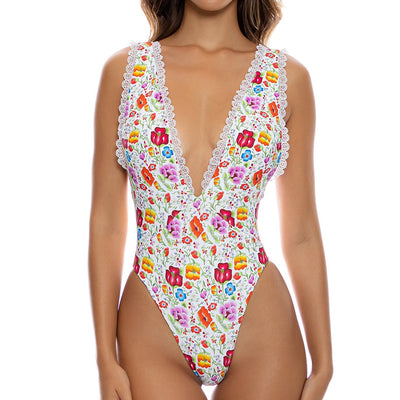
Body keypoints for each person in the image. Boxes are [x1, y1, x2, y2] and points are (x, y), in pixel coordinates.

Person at [89, 0, 333, 399]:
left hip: (261, 323)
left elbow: (302, 232)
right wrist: (104, 356)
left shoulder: (287, 80)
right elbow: (106, 224)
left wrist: (324, 362)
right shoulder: (126, 73)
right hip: (152, 322)